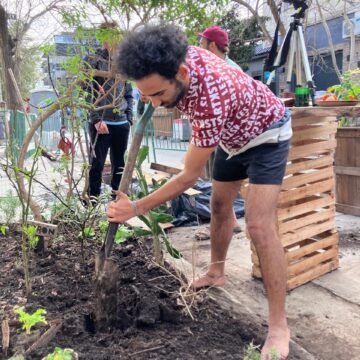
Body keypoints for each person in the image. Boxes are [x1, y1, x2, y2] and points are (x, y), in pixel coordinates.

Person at [108, 24, 292, 359]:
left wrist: (135, 208)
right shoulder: (175, 60)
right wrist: (155, 94)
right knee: (221, 206)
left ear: (181, 73)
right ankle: (216, 272)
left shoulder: (209, 100)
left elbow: (188, 177)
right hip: (232, 136)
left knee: (259, 227)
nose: (154, 104)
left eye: (158, 95)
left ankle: (279, 326)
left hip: (267, 133)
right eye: (145, 95)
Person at [198, 25, 242, 236]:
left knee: (221, 183)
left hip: (226, 137)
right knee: (220, 182)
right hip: (223, 136)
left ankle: (219, 226)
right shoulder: (230, 66)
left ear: (212, 45)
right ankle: (231, 221)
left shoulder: (224, 70)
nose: (199, 46)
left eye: (202, 42)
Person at [85, 22, 133, 202]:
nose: (108, 40)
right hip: (101, 122)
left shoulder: (124, 62)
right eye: (104, 36)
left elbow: (128, 93)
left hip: (121, 122)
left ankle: (117, 200)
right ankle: (92, 202)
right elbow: (87, 91)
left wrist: (129, 117)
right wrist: (96, 118)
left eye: (112, 35)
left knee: (119, 164)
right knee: (96, 164)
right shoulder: (94, 59)